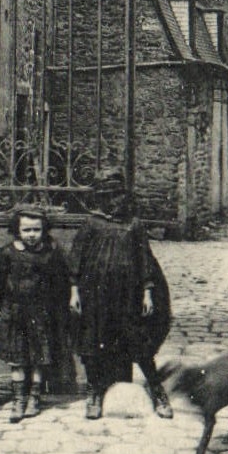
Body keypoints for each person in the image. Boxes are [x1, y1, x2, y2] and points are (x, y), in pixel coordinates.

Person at [68, 168, 173, 420]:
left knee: (138, 343)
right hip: (95, 296)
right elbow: (76, 260)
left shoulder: (134, 225)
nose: (113, 201)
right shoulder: (91, 224)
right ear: (99, 198)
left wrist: (148, 292)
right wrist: (74, 290)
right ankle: (94, 392)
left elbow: (145, 260)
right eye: (107, 195)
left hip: (128, 296)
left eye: (117, 195)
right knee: (94, 341)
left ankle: (157, 390)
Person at [0, 204, 72, 422]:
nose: (31, 235)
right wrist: (7, 301)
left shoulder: (50, 254)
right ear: (17, 230)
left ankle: (34, 397)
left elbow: (60, 282)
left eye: (36, 230)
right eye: (26, 230)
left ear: (44, 230)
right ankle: (18, 400)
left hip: (41, 313)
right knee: (18, 359)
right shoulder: (6, 253)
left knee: (38, 357)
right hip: (14, 313)